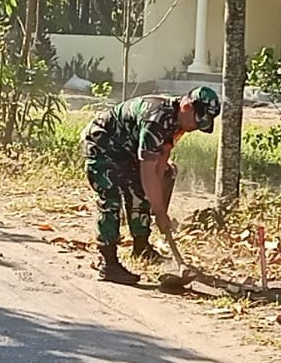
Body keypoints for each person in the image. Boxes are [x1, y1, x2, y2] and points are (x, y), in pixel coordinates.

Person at [81, 86, 222, 284]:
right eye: (197, 121)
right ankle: (108, 263)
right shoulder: (156, 119)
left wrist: (159, 210)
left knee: (150, 186)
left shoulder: (177, 122)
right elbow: (147, 172)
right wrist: (159, 211)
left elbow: (160, 162)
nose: (194, 128)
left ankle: (142, 247)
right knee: (111, 197)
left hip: (127, 151)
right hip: (102, 145)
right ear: (187, 107)